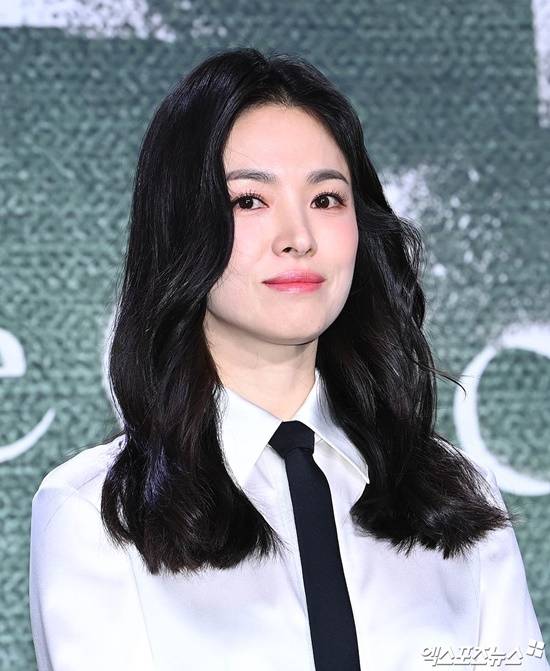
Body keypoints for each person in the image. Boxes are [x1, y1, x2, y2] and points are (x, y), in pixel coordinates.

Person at [29, 47, 548, 671]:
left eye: (326, 199)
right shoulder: (96, 513)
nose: (298, 237)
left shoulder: (455, 494)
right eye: (250, 200)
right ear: (181, 224)